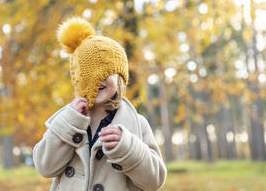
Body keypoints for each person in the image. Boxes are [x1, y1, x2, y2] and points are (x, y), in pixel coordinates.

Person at [32, 17, 167, 191]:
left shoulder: (136, 124)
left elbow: (154, 181)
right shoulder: (67, 120)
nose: (96, 79)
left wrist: (128, 148)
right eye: (88, 73)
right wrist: (69, 124)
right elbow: (45, 167)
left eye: (105, 72)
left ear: (119, 77)